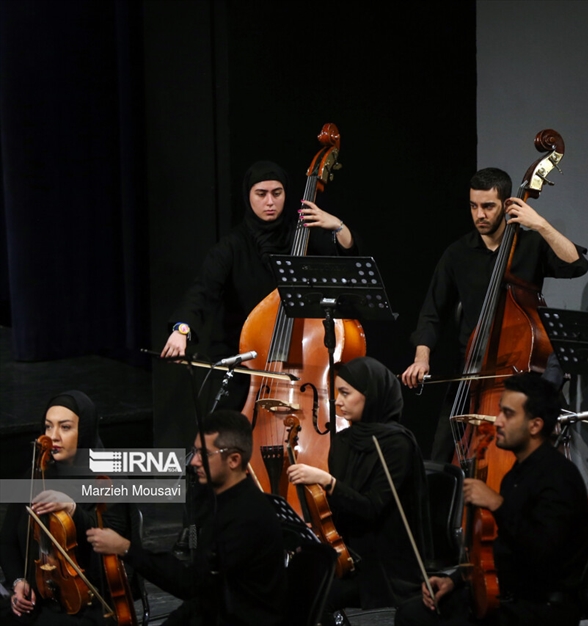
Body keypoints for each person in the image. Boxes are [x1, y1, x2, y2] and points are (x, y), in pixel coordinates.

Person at [401, 167, 588, 461]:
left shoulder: (531, 245)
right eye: (474, 206)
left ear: (506, 204)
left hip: (520, 377)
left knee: (535, 457)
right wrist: (421, 357)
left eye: (488, 206)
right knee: (440, 459)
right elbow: (432, 312)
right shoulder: (457, 253)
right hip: (471, 374)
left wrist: (540, 225)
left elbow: (577, 265)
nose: (480, 215)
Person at [395, 372, 588, 626]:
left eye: (508, 414)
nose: (497, 421)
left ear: (535, 425)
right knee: (411, 611)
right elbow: (499, 551)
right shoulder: (517, 474)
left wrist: (497, 504)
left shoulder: (559, 477)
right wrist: (453, 579)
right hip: (507, 594)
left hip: (538, 607)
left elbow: (543, 552)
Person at [160, 160, 358, 408]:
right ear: (248, 196)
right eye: (261, 194)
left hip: (300, 365)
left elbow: (347, 265)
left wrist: (338, 226)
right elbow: (202, 290)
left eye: (277, 193)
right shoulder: (232, 247)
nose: (270, 202)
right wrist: (182, 329)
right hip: (244, 364)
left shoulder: (304, 235)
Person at [88, 410, 287, 626]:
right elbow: (204, 596)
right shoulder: (221, 501)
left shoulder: (247, 517)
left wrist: (126, 548)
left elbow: (192, 586)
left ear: (234, 460)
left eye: (204, 453)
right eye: (194, 451)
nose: (193, 461)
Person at [286, 356, 430, 614]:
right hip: (346, 557)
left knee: (312, 601)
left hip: (383, 568)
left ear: (371, 394)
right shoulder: (342, 441)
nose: (338, 401)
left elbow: (372, 507)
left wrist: (326, 481)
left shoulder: (398, 444)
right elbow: (338, 509)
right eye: (337, 393)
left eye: (345, 393)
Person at [0, 391, 133, 625]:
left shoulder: (109, 479)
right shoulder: (35, 475)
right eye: (48, 427)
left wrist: (73, 509)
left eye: (65, 427)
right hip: (38, 597)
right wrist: (17, 582)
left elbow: (116, 545)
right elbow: (7, 540)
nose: (53, 436)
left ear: (85, 431)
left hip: (89, 601)